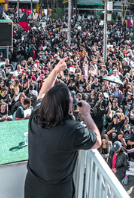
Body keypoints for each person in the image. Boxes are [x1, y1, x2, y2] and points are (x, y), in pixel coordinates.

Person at [25, 58, 100, 198]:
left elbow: (43, 92)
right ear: (66, 107)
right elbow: (97, 142)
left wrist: (55, 71)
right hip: (57, 192)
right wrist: (87, 115)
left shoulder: (36, 114)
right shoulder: (72, 129)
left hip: (32, 186)